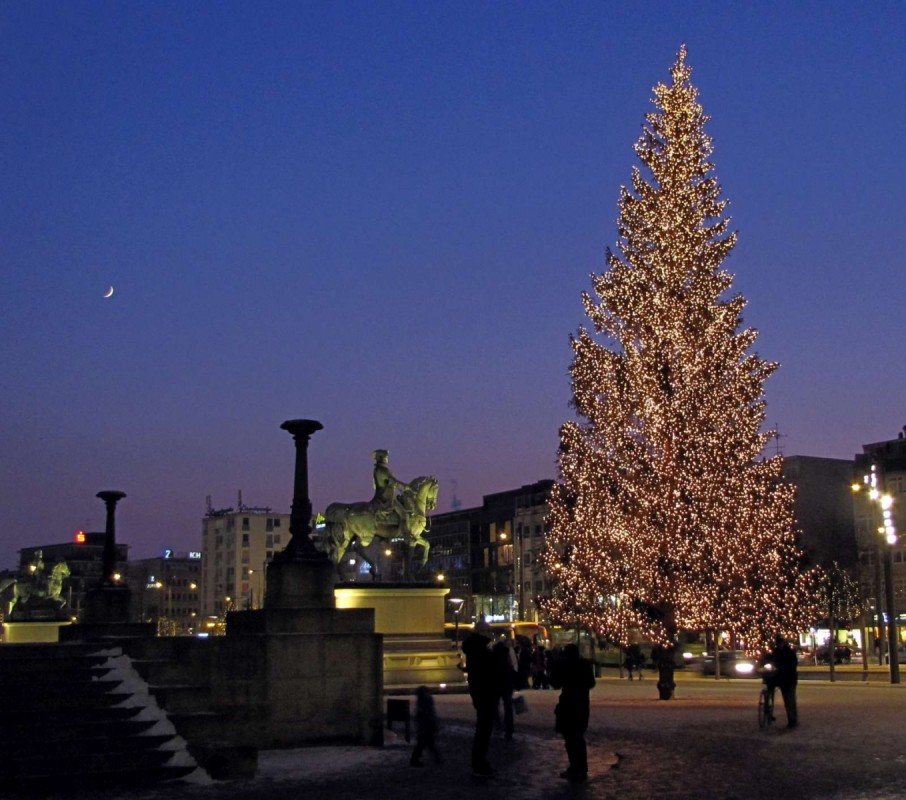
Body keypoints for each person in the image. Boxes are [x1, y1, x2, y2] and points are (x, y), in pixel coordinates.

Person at [550, 644, 596, 781]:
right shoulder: (584, 665)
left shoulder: (565, 666)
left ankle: (576, 767)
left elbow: (555, 683)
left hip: (568, 704)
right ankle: (581, 767)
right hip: (581, 704)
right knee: (578, 737)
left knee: (570, 738)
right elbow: (591, 683)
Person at [461, 620, 498, 777]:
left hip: (479, 691)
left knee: (483, 727)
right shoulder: (482, 649)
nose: (490, 634)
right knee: (484, 729)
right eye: (488, 632)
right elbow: (490, 670)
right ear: (483, 632)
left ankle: (479, 761)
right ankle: (479, 762)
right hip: (485, 692)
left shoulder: (473, 648)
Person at [765, 634, 798, 729]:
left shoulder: (789, 653)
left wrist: (783, 668)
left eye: (780, 643)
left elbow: (792, 665)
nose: (779, 645)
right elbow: (770, 660)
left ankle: (792, 720)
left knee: (789, 700)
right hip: (781, 678)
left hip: (789, 679)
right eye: (778, 643)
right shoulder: (777, 652)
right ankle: (769, 709)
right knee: (787, 699)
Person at [370, 449, 407, 523]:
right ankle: (405, 532)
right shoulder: (383, 469)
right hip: (386, 499)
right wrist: (406, 487)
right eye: (386, 457)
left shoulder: (377, 469)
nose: (387, 459)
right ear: (381, 458)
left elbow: (374, 486)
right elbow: (394, 482)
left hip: (380, 497)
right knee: (404, 514)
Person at [492, 634, 518, 740]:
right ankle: (509, 727)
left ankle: (498, 724)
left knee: (495, 705)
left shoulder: (493, 657)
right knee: (508, 706)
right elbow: (513, 666)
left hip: (496, 683)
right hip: (506, 683)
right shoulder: (507, 655)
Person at [410, 686, 441, 767]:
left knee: (424, 743)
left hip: (424, 727)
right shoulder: (427, 702)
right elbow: (430, 715)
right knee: (427, 743)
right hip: (427, 727)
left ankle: (415, 759)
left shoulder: (421, 703)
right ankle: (436, 759)